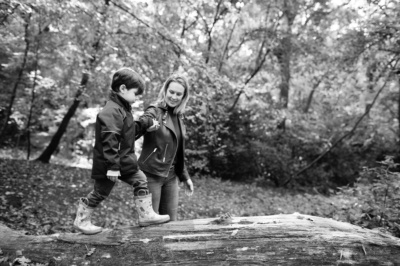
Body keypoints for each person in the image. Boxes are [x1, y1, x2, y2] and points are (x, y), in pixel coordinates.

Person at [73, 68, 170, 235]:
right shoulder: (111, 110)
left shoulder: (123, 109)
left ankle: (146, 215)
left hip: (124, 161)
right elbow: (110, 139)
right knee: (100, 192)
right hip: (111, 163)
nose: (138, 98)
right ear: (123, 89)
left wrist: (147, 126)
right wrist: (112, 166)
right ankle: (81, 221)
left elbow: (129, 133)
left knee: (140, 179)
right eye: (136, 94)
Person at [137, 73, 194, 221]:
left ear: (183, 97)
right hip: (151, 175)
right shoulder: (155, 110)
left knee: (171, 222)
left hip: (171, 177)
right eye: (172, 92)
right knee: (150, 224)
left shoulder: (179, 117)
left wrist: (185, 176)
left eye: (178, 94)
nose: (174, 97)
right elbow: (144, 121)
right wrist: (146, 123)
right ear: (165, 91)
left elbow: (176, 151)